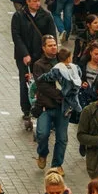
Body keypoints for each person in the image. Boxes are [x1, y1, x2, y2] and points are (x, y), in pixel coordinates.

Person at [11, 0, 57, 129]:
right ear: (27, 1)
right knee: (26, 81)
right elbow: (16, 36)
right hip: (24, 57)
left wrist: (50, 52)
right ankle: (26, 109)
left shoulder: (46, 16)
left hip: (42, 57)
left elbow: (51, 35)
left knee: (45, 81)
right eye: (35, 1)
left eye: (39, 1)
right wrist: (24, 54)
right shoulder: (19, 16)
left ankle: (46, 106)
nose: (38, 3)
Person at [31, 35, 68, 172]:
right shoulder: (38, 65)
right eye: (50, 45)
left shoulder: (64, 62)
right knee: (42, 134)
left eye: (55, 45)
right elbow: (42, 86)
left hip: (63, 108)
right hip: (45, 106)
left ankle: (57, 165)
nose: (54, 47)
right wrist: (60, 95)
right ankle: (42, 153)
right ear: (44, 47)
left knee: (62, 138)